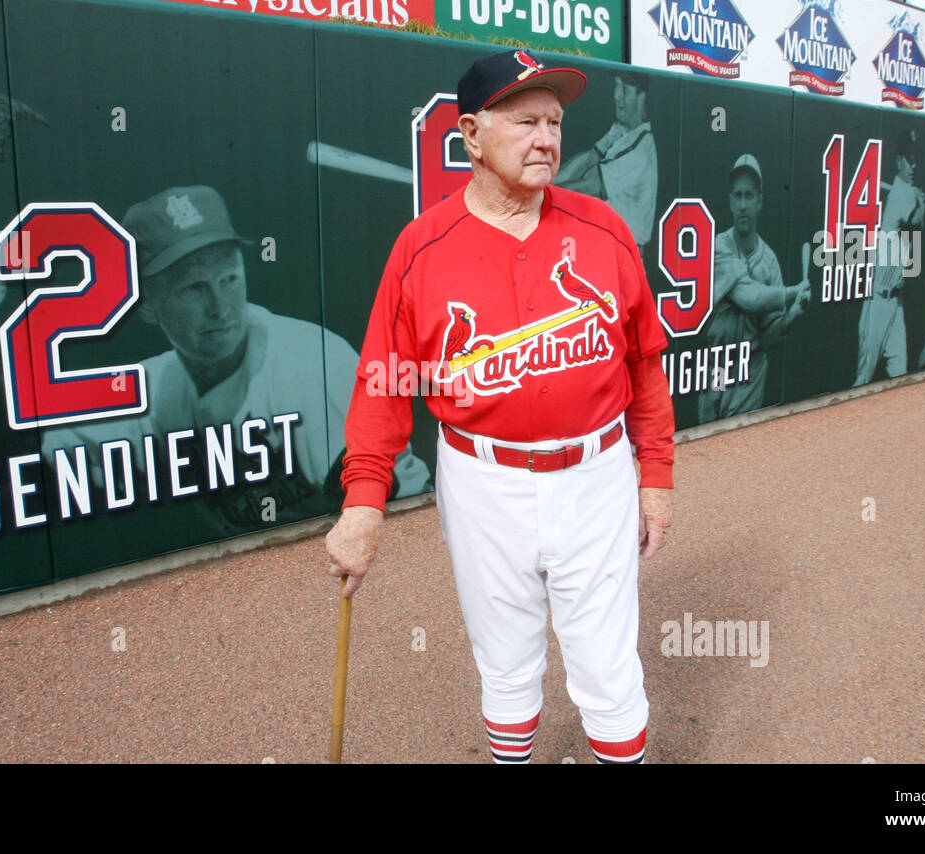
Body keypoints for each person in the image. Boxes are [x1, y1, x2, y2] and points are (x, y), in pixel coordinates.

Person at [324, 50, 675, 765]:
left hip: (596, 473)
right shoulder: (421, 248)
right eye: (525, 122)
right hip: (482, 482)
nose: (546, 138)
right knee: (507, 666)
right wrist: (364, 501)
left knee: (608, 670)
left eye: (554, 122)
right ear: (472, 135)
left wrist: (657, 475)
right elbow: (385, 382)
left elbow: (643, 363)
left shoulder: (603, 231)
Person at [0, 185, 430, 535]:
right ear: (145, 304)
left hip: (406, 525)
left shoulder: (307, 362)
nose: (220, 304)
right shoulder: (153, 389)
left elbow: (365, 510)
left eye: (229, 278)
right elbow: (36, 473)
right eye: (192, 287)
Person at [697, 153, 809, 423]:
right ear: (730, 200)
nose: (743, 204)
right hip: (717, 365)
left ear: (760, 200)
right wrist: (793, 291)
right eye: (738, 196)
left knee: (738, 444)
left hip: (750, 367)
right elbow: (750, 299)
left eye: (749, 196)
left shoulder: (769, 261)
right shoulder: (718, 247)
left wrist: (792, 313)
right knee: (706, 441)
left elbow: (767, 337)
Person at [555, 70, 656, 255]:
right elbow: (579, 165)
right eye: (616, 87)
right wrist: (547, 184)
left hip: (625, 253)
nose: (617, 96)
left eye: (625, 90)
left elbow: (582, 188)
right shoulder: (622, 132)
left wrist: (530, 196)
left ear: (642, 97)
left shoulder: (639, 149)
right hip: (609, 247)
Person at [856, 130, 924, 385]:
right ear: (898, 161)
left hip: (896, 302)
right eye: (908, 158)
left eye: (916, 159)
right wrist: (921, 204)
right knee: (862, 381)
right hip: (878, 300)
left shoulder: (903, 192)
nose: (913, 164)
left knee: (900, 375)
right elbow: (917, 223)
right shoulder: (903, 193)